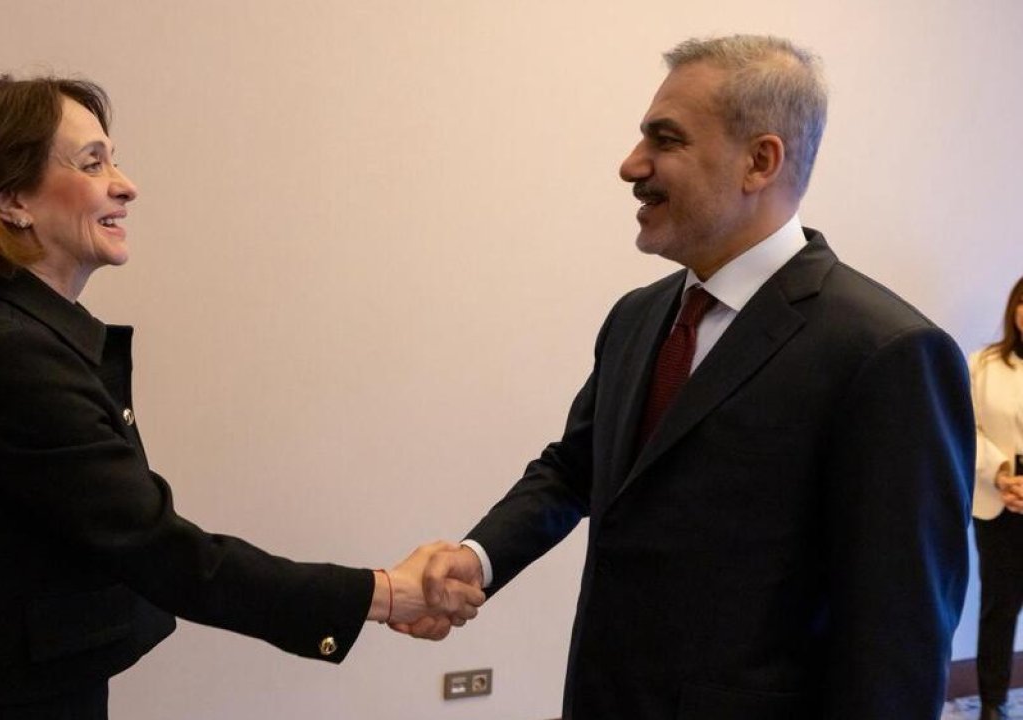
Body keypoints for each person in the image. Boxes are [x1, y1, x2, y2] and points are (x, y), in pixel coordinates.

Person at [398, 35, 974, 719]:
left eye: (664, 140)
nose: (630, 165)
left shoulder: (886, 352)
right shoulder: (638, 316)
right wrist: (479, 557)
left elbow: (898, 638)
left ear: (759, 161)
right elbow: (575, 469)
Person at [0, 76, 483, 719]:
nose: (125, 185)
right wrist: (385, 593)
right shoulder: (4, 354)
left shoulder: (11, 337)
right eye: (92, 163)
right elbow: (160, 550)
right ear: (11, 199)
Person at [970, 275, 1023, 720]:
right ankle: (992, 702)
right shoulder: (983, 364)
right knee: (998, 607)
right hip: (998, 502)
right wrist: (1002, 472)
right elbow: (965, 427)